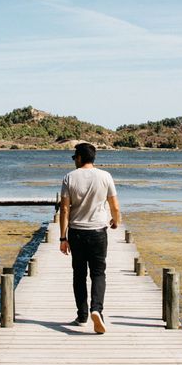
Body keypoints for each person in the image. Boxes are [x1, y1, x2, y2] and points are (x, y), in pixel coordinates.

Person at [59, 142, 120, 334]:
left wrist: (62, 237)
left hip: (76, 232)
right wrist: (116, 221)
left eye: (74, 157)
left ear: (79, 158)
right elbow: (115, 206)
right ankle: (97, 310)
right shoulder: (105, 176)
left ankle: (83, 315)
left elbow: (65, 210)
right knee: (98, 273)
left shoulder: (69, 177)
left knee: (79, 274)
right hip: (98, 232)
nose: (73, 161)